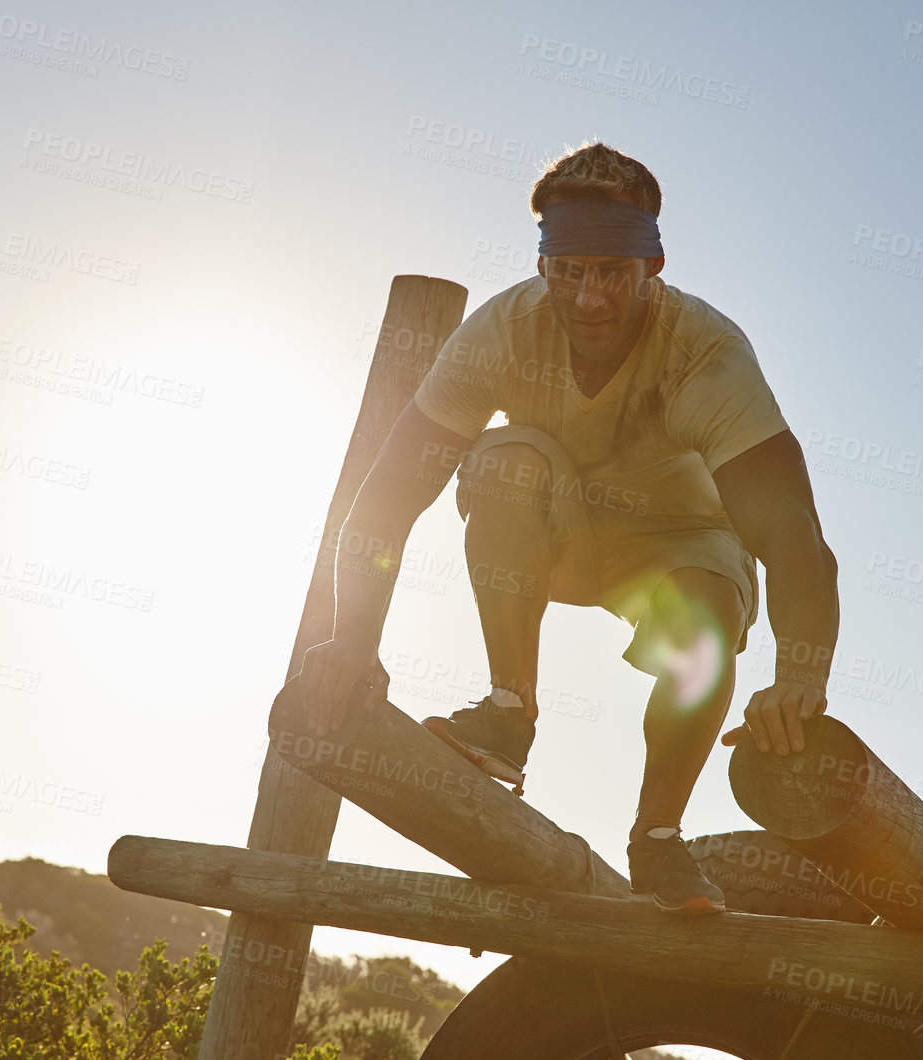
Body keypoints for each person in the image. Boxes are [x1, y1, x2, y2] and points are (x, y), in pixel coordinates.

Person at [297, 142, 840, 914]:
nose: (589, 298)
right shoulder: (499, 333)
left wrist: (798, 681)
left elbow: (792, 538)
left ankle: (658, 839)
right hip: (563, 534)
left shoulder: (706, 355)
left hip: (679, 543)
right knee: (505, 459)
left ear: (651, 266)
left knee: (707, 611)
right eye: (569, 272)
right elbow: (388, 493)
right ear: (543, 265)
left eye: (612, 274)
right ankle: (507, 714)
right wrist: (353, 637)